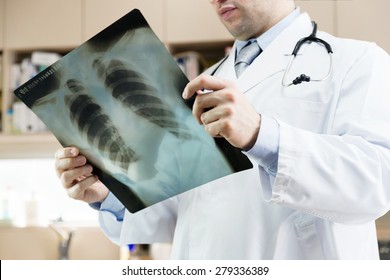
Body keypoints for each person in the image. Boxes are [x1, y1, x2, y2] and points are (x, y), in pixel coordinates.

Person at [54, 0, 390, 259]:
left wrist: (263, 136)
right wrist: (109, 196)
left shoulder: (358, 61)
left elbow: (378, 181)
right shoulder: (196, 85)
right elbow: (184, 209)